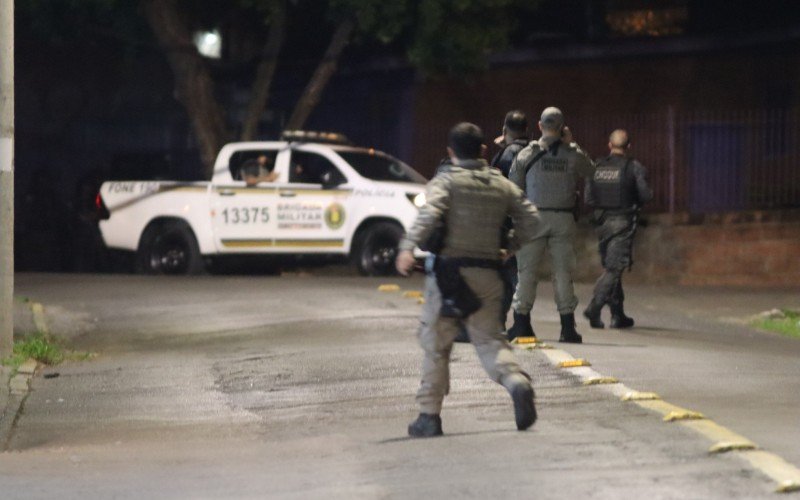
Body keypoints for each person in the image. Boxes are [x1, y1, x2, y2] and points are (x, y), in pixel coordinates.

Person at [396, 122, 543, 438]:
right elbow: (533, 220)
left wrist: (407, 248)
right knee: (490, 341)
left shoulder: (445, 182)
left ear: (450, 152)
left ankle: (428, 416)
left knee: (436, 345)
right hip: (488, 274)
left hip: (449, 278)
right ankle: (516, 381)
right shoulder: (500, 185)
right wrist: (509, 248)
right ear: (483, 151)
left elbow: (428, 215)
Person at [507, 107, 595, 344]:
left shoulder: (528, 153)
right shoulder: (571, 154)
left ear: (539, 126)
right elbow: (591, 171)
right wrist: (572, 144)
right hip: (563, 219)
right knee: (563, 273)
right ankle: (568, 327)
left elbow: (513, 186)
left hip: (533, 218)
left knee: (526, 272)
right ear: (563, 127)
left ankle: (521, 323)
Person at [583, 129, 653, 329]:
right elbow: (646, 195)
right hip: (622, 222)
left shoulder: (595, 167)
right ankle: (594, 307)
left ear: (609, 145)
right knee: (614, 268)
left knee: (612, 266)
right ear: (628, 146)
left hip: (601, 224)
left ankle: (617, 314)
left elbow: (588, 198)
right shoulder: (634, 167)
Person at [490, 110, 530, 332]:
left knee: (509, 274)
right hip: (532, 217)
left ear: (505, 130)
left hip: (509, 220)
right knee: (520, 273)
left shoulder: (507, 154)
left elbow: (497, 183)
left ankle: (514, 322)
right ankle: (516, 321)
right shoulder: (535, 150)